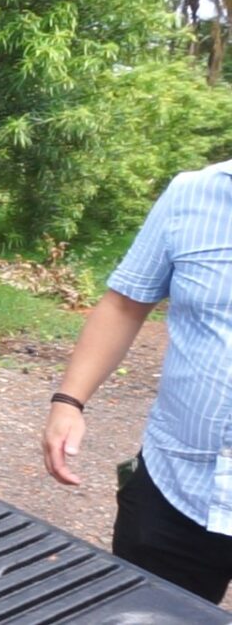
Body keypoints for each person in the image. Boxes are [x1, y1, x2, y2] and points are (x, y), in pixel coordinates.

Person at [42, 160, 232, 603]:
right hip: (176, 482)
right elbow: (126, 303)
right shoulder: (193, 194)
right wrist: (68, 401)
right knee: (148, 610)